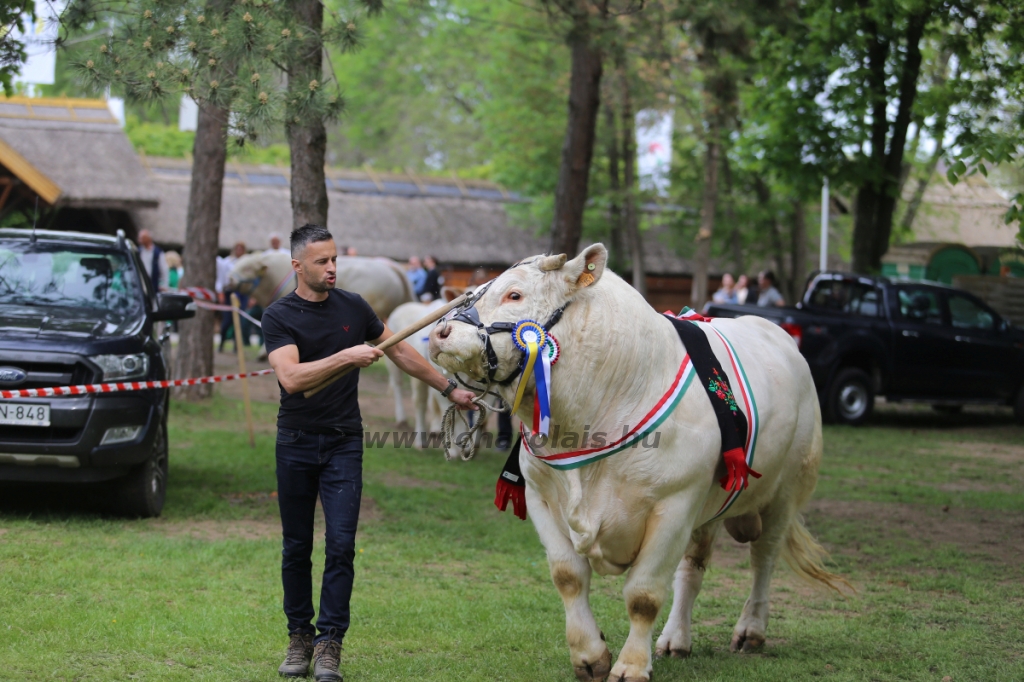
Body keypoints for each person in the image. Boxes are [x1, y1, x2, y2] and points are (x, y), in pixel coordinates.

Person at [263, 225, 477, 682]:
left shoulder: (355, 307)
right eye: (322, 261)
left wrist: (449, 388)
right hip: (296, 441)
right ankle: (299, 636)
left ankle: (328, 645)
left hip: (344, 442)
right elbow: (292, 380)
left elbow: (399, 351)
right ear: (298, 266)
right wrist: (347, 356)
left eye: (335, 259)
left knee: (341, 546)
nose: (332, 268)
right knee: (296, 547)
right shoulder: (278, 316)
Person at [218, 242, 250, 352]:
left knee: (240, 321)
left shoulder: (247, 262)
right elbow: (222, 278)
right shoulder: (227, 262)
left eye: (241, 249)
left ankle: (237, 346)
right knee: (227, 320)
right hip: (229, 293)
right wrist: (220, 292)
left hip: (242, 293)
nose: (239, 251)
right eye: (237, 248)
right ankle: (221, 343)